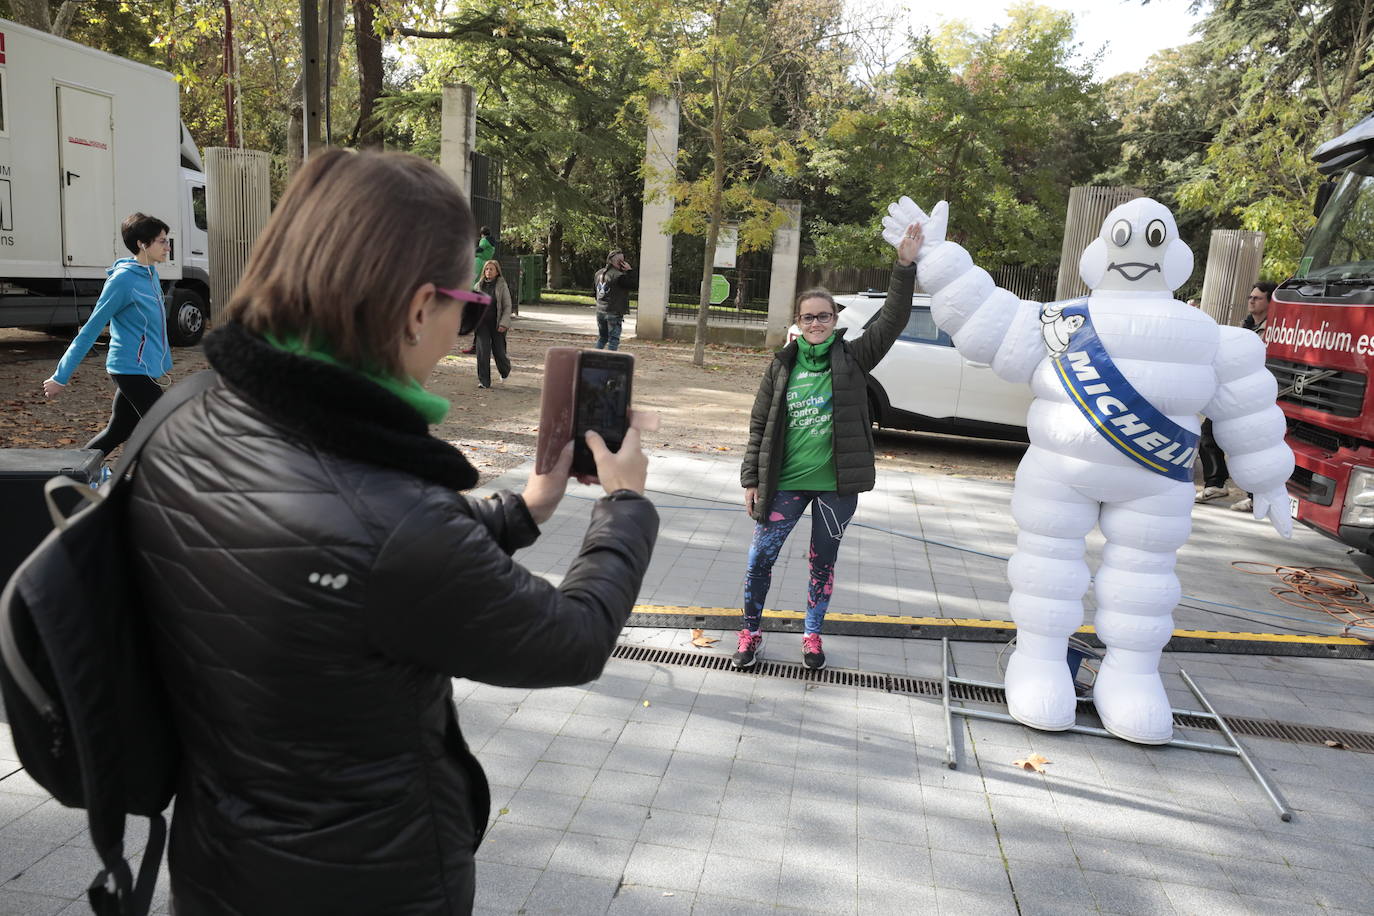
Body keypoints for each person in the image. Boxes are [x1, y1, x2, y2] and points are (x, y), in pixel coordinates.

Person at [125, 149, 660, 915]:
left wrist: (522, 510)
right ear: (416, 309)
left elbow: (340, 550)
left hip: (218, 864)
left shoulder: (193, 419)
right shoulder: (394, 514)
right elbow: (569, 639)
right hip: (369, 883)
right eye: (467, 307)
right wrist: (626, 507)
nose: (463, 328)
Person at [734, 223, 922, 670]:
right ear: (797, 323)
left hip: (837, 486)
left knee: (823, 563)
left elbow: (892, 319)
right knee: (760, 558)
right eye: (808, 317)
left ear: (835, 320)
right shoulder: (781, 367)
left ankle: (812, 635)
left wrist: (904, 265)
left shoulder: (854, 359)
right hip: (785, 483)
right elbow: (759, 425)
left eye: (824, 316)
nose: (816, 323)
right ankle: (749, 632)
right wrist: (750, 479)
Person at [41, 212, 174, 457]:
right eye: (162, 241)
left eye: (167, 240)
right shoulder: (122, 281)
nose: (168, 247)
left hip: (145, 368)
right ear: (141, 244)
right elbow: (90, 330)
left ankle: (73, 476)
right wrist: (61, 377)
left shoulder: (151, 274)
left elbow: (154, 330)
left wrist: (161, 363)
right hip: (130, 369)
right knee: (165, 426)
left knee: (118, 431)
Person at [1228, 280, 1276, 514]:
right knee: (1210, 434)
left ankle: (1256, 497)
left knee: (1255, 447)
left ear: (1269, 302)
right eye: (1250, 297)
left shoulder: (1275, 330)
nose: (1251, 300)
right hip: (1239, 390)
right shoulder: (1245, 325)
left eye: (1257, 298)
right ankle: (1215, 483)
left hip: (1261, 395)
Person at [473, 258, 513, 388]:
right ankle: (484, 381)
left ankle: (505, 370)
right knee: (483, 351)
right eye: (486, 269)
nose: (488, 271)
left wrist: (504, 323)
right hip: (481, 324)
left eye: (491, 269)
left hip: (497, 324)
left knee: (499, 352)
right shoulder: (478, 286)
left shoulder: (502, 285)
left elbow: (507, 306)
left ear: (497, 272)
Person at [594, 250, 635, 350]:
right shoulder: (619, 276)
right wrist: (630, 270)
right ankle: (609, 360)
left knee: (602, 338)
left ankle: (594, 357)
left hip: (600, 310)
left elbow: (595, 293)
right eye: (622, 260)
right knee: (614, 340)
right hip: (614, 311)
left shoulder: (598, 274)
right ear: (620, 262)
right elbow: (633, 285)